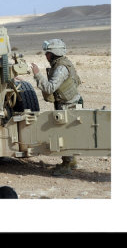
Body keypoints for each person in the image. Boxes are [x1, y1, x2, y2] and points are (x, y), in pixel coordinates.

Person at [31, 39, 83, 176]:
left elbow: (50, 87)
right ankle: (71, 161)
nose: (46, 55)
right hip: (67, 103)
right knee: (66, 134)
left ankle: (67, 165)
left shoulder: (61, 68)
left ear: (54, 54)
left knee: (63, 135)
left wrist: (37, 74)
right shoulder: (61, 63)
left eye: (48, 53)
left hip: (68, 105)